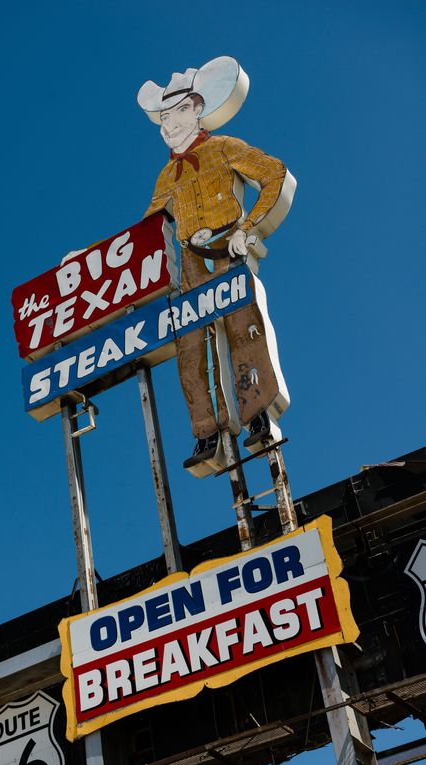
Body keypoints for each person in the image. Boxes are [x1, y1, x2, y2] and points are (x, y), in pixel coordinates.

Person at [137, 57, 296, 470]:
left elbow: (275, 173)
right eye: (164, 117)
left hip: (228, 246)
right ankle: (207, 432)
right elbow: (144, 234)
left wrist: (250, 225)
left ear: (197, 109)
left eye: (178, 112)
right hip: (189, 259)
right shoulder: (165, 176)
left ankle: (258, 410)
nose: (170, 124)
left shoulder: (223, 147)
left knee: (244, 327)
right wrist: (88, 260)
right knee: (189, 346)